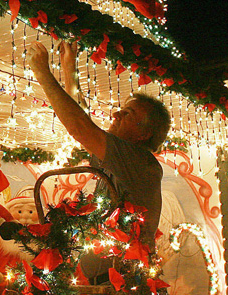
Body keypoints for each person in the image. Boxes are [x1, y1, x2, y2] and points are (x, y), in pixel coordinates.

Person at [28, 40, 170, 256]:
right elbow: (82, 119)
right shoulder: (124, 158)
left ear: (144, 134)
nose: (115, 115)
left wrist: (42, 73)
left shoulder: (139, 161)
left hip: (118, 284)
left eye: (128, 114)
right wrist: (69, 66)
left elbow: (81, 128)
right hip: (105, 282)